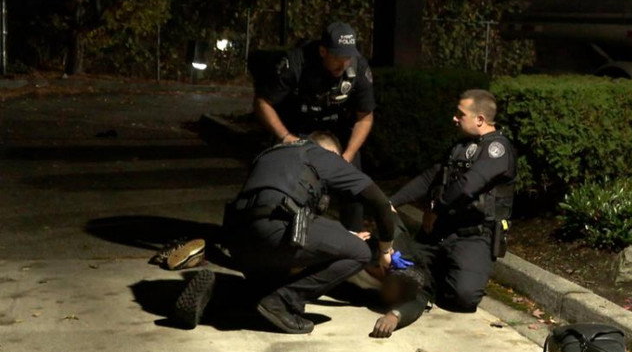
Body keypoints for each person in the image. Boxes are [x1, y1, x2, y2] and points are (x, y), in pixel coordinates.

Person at [173, 131, 395, 334]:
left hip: (237, 239)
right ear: (329, 152)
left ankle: (219, 294)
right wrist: (385, 249)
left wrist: (336, 240)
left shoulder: (271, 154)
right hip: (274, 229)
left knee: (266, 287)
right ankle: (283, 302)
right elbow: (381, 203)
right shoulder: (322, 156)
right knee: (359, 251)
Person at [389, 89, 517, 313]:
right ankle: (428, 278)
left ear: (480, 119)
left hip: (474, 236)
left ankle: (435, 279)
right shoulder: (460, 147)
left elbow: (468, 186)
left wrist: (436, 209)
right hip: (442, 230)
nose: (454, 118)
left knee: (463, 299)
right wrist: (390, 202)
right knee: (395, 274)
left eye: (460, 114)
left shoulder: (498, 150)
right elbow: (431, 177)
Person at [250, 22, 376, 232]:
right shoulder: (295, 63)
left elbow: (365, 117)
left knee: (354, 186)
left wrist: (347, 156)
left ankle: (352, 241)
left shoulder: (358, 67)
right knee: (290, 183)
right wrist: (285, 137)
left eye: (348, 57)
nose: (344, 63)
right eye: (338, 57)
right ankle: (281, 233)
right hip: (297, 127)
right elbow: (263, 102)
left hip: (338, 131)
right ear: (322, 51)